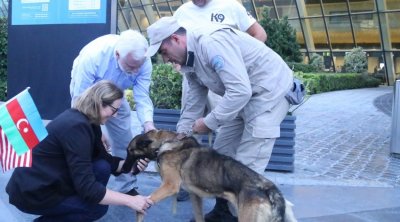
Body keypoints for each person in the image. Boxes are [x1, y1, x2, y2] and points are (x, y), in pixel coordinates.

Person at [145, 17, 293, 222]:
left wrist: (208, 123)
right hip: (244, 97)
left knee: (245, 170)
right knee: (218, 158)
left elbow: (240, 91)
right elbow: (194, 99)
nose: (165, 59)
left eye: (163, 52)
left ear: (176, 39)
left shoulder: (210, 43)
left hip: (268, 93)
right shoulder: (189, 60)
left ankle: (262, 214)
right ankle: (225, 212)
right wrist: (182, 133)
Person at [6, 80, 154, 222]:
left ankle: (77, 210)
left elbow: (105, 160)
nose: (115, 115)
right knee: (96, 209)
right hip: (34, 192)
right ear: (99, 103)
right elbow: (88, 187)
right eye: (114, 110)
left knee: (102, 166)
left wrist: (130, 165)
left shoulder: (89, 122)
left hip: (53, 180)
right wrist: (131, 201)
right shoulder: (75, 127)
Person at [173, 0, 268, 202]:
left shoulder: (230, 6)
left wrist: (237, 65)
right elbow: (173, 43)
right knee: (189, 126)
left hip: (226, 79)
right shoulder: (181, 12)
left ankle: (224, 191)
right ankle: (188, 179)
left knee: (221, 128)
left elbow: (259, 34)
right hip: (194, 78)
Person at [69, 29, 156, 196]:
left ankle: (126, 185)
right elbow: (79, 100)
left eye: (140, 66)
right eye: (131, 66)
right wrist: (96, 129)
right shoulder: (93, 57)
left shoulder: (143, 60)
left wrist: (148, 124)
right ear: (117, 55)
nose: (136, 71)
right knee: (86, 138)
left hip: (118, 94)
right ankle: (84, 183)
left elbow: (142, 96)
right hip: (88, 95)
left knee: (124, 137)